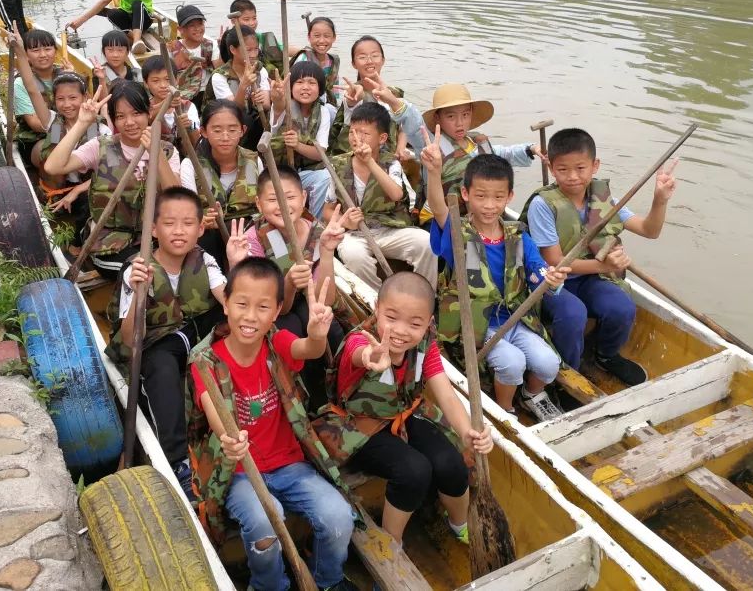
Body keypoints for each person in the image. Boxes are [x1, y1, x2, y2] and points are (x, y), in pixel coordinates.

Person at [188, 258, 357, 591]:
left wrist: (318, 335)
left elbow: (307, 348)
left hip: (289, 464)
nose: (250, 316)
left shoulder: (275, 343)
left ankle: (327, 580)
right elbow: (214, 412)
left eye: (263, 307)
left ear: (277, 309)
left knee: (338, 516)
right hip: (239, 472)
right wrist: (229, 439)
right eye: (242, 304)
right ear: (226, 304)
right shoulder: (205, 360)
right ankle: (269, 586)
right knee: (266, 523)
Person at [314, 271, 493, 544]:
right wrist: (372, 356)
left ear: (428, 324)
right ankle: (392, 543)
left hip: (405, 414)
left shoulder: (425, 344)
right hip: (358, 429)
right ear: (377, 309)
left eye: (414, 323)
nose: (399, 330)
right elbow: (360, 354)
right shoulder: (361, 341)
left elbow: (444, 391)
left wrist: (469, 431)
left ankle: (460, 524)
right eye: (391, 317)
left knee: (452, 462)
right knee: (414, 471)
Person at [106, 187, 236, 497]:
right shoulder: (136, 268)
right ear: (153, 228)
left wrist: (236, 264)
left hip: (193, 333)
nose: (179, 231)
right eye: (169, 223)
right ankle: (178, 461)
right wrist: (138, 291)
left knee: (231, 339)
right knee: (162, 369)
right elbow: (128, 337)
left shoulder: (204, 259)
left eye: (188, 223)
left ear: (200, 228)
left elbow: (229, 303)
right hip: (154, 342)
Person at [424, 146, 569, 420]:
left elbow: (537, 269)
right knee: (512, 363)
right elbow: (439, 208)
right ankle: (506, 409)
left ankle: (531, 394)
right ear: (466, 195)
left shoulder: (518, 236)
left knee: (550, 363)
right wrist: (433, 172)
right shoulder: (459, 235)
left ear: (509, 197)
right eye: (480, 196)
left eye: (498, 197)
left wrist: (549, 278)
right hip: (477, 326)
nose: (489, 205)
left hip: (516, 321)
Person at [524, 128, 678, 387]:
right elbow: (553, 260)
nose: (572, 177)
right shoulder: (543, 205)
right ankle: (566, 372)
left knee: (622, 307)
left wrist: (659, 200)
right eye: (562, 169)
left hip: (588, 277)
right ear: (551, 167)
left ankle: (606, 356)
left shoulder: (603, 199)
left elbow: (649, 230)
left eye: (580, 168)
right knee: (574, 313)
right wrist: (604, 265)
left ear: (595, 166)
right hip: (551, 280)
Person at [229, 166, 347, 410]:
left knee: (330, 327)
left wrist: (326, 253)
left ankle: (343, 389)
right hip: (273, 309)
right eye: (273, 199)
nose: (283, 205)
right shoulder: (253, 240)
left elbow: (327, 298)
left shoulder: (316, 232)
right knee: (292, 330)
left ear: (304, 198)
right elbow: (277, 310)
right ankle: (307, 403)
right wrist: (290, 283)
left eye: (290, 197)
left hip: (306, 299)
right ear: (259, 204)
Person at [43, 81, 180, 274]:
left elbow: (177, 199)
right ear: (113, 120)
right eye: (121, 116)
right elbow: (52, 166)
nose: (130, 122)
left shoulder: (167, 150)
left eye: (136, 113)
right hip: (109, 244)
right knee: (143, 272)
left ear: (149, 112)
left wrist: (155, 153)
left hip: (156, 239)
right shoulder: (100, 146)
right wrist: (82, 122)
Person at [326, 102, 436, 290]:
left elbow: (396, 193)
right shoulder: (337, 165)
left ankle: (423, 297)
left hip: (390, 230)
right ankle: (378, 301)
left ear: (382, 138)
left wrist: (369, 162)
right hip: (356, 234)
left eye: (365, 133)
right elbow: (328, 211)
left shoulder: (391, 163)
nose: (356, 138)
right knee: (353, 255)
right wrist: (345, 222)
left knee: (426, 243)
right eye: (353, 132)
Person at [8, 30, 101, 249]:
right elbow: (31, 88)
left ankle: (81, 241)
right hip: (61, 185)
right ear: (54, 101)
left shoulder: (100, 128)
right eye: (61, 99)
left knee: (86, 207)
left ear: (85, 98)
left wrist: (79, 190)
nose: (67, 104)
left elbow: (110, 173)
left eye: (73, 98)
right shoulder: (52, 121)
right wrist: (20, 52)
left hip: (88, 187)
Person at [419, 83, 538, 222]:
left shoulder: (476, 141)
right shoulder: (433, 152)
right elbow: (433, 198)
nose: (459, 123)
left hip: (479, 214)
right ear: (438, 119)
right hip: (441, 219)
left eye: (465, 115)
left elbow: (503, 154)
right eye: (451, 117)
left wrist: (532, 149)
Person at [179, 101, 263, 270]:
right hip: (210, 234)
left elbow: (265, 202)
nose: (225, 137)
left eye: (232, 130)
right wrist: (203, 220)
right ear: (204, 131)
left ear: (242, 131)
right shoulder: (191, 165)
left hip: (248, 230)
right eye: (217, 130)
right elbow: (188, 212)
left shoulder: (254, 161)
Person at [330, 35, 424, 159]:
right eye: (362, 57)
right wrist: (358, 96)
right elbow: (353, 103)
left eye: (374, 55)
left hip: (389, 155)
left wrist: (401, 147)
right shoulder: (352, 91)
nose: (369, 61)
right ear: (354, 63)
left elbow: (403, 127)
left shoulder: (394, 92)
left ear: (383, 60)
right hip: (357, 155)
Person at [268, 61, 333, 219]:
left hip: (305, 174)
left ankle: (314, 222)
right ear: (290, 87)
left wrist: (297, 145)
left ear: (320, 88)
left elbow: (320, 153)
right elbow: (278, 105)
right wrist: (277, 97)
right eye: (299, 82)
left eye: (312, 83)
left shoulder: (323, 112)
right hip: (280, 174)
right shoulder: (285, 107)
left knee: (327, 175)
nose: (305, 87)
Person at [212, 24, 272, 148]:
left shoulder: (260, 69)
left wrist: (261, 99)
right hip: (230, 120)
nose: (254, 54)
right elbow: (231, 110)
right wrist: (243, 85)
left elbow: (266, 105)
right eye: (248, 50)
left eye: (256, 49)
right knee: (246, 119)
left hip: (255, 121)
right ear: (233, 50)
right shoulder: (220, 76)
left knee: (269, 118)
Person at [10, 29, 64, 160]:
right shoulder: (20, 83)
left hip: (69, 130)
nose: (43, 54)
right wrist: (66, 129)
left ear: (55, 51)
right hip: (37, 138)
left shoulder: (66, 75)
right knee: (57, 149)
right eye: (35, 51)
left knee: (96, 138)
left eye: (47, 49)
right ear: (26, 55)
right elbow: (35, 123)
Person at [141, 55, 200, 147]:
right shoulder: (142, 107)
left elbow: (197, 142)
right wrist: (166, 104)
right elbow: (147, 117)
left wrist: (189, 126)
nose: (163, 85)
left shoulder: (188, 106)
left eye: (168, 79)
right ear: (146, 83)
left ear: (176, 80)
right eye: (156, 81)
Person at [291, 17, 343, 108]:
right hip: (301, 105)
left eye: (326, 36)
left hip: (324, 105)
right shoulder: (303, 59)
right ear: (309, 37)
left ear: (334, 38)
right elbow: (294, 89)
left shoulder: (332, 62)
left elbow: (334, 90)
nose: (322, 41)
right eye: (317, 36)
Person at [170, 4, 216, 103]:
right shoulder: (172, 49)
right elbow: (168, 77)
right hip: (182, 95)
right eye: (192, 26)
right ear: (180, 29)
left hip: (207, 93)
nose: (198, 29)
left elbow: (219, 72)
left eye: (200, 24)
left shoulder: (212, 46)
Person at [229, 0, 283, 74]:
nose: (252, 23)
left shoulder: (260, 36)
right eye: (246, 19)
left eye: (254, 18)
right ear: (233, 21)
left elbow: (282, 47)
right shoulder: (230, 39)